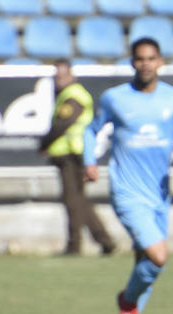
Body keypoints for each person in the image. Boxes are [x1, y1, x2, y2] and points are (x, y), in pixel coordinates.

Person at [84, 37, 173, 314]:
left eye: (151, 58)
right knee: (158, 256)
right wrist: (89, 161)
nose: (145, 63)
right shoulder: (115, 98)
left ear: (160, 62)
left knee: (147, 263)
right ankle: (128, 302)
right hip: (127, 192)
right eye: (139, 58)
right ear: (132, 62)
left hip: (159, 195)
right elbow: (90, 130)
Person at [39, 59, 115, 256]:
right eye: (57, 75)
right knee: (79, 200)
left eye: (63, 75)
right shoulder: (70, 94)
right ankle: (105, 240)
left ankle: (75, 245)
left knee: (72, 201)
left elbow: (64, 123)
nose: (59, 79)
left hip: (72, 154)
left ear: (72, 75)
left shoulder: (73, 95)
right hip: (71, 153)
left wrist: (45, 143)